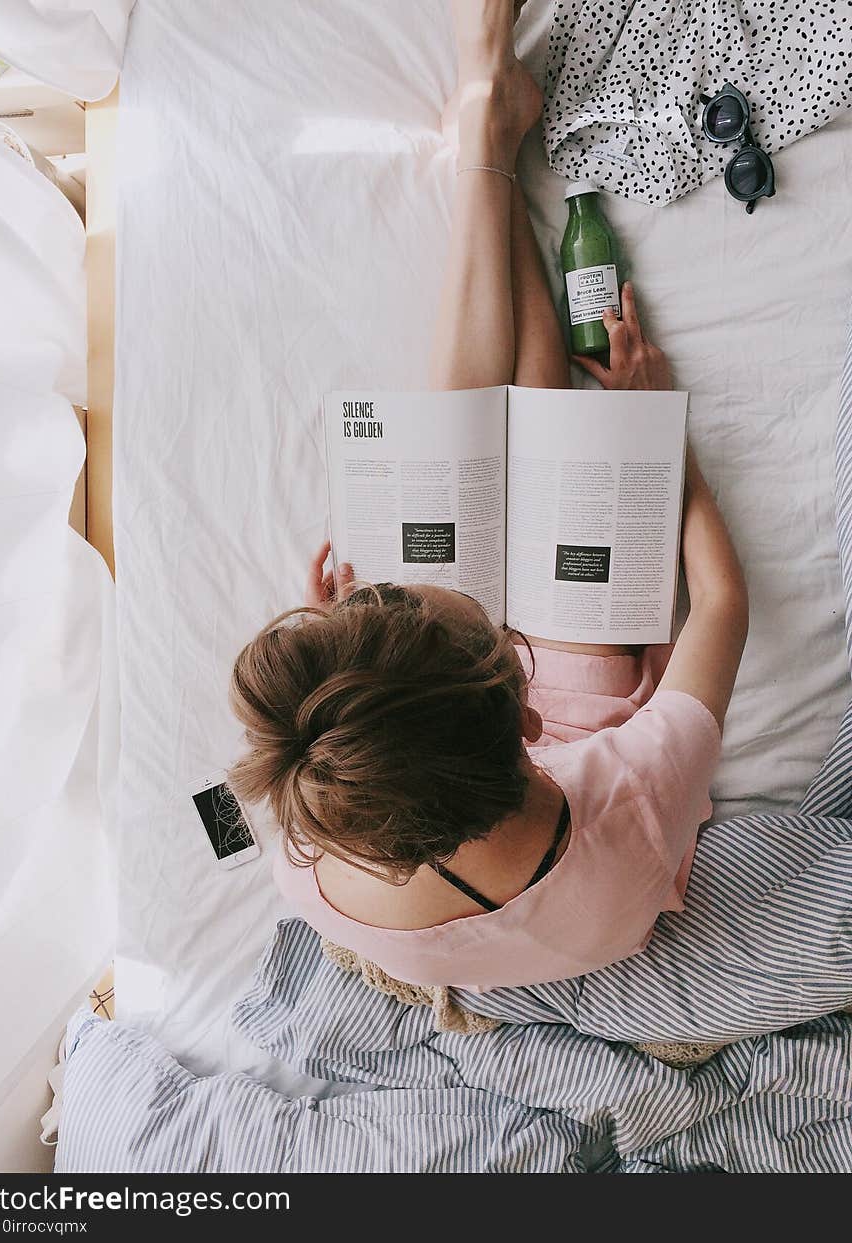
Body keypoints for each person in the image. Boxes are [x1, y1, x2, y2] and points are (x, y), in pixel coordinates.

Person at [228, 0, 748, 990]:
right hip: (565, 797)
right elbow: (722, 603)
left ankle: (488, 135)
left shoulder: (299, 820)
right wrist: (655, 438)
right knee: (563, 462)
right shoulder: (625, 805)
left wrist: (351, 683)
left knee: (447, 468)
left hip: (425, 764)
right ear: (520, 713)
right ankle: (490, 132)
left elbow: (230, 803)